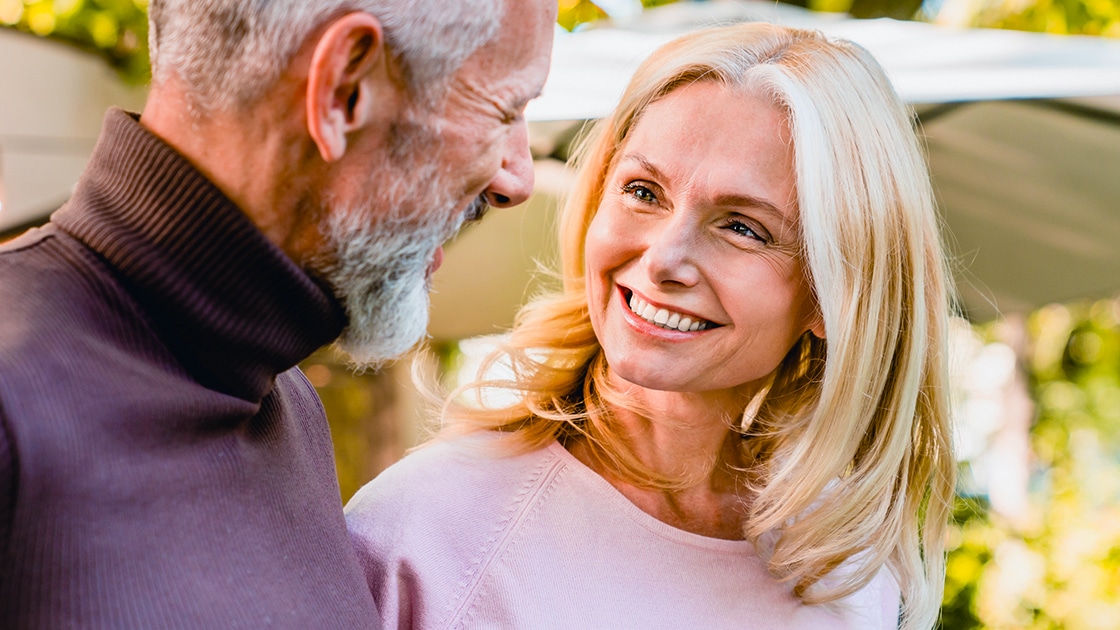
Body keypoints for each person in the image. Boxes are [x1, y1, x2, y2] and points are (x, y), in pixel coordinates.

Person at [346, 22, 956, 630]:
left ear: (834, 293)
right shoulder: (426, 531)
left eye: (742, 227)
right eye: (643, 191)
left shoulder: (846, 565)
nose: (664, 259)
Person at [0, 0, 555, 626]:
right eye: (504, 109)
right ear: (343, 87)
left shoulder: (285, 400)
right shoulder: (15, 400)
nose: (517, 177)